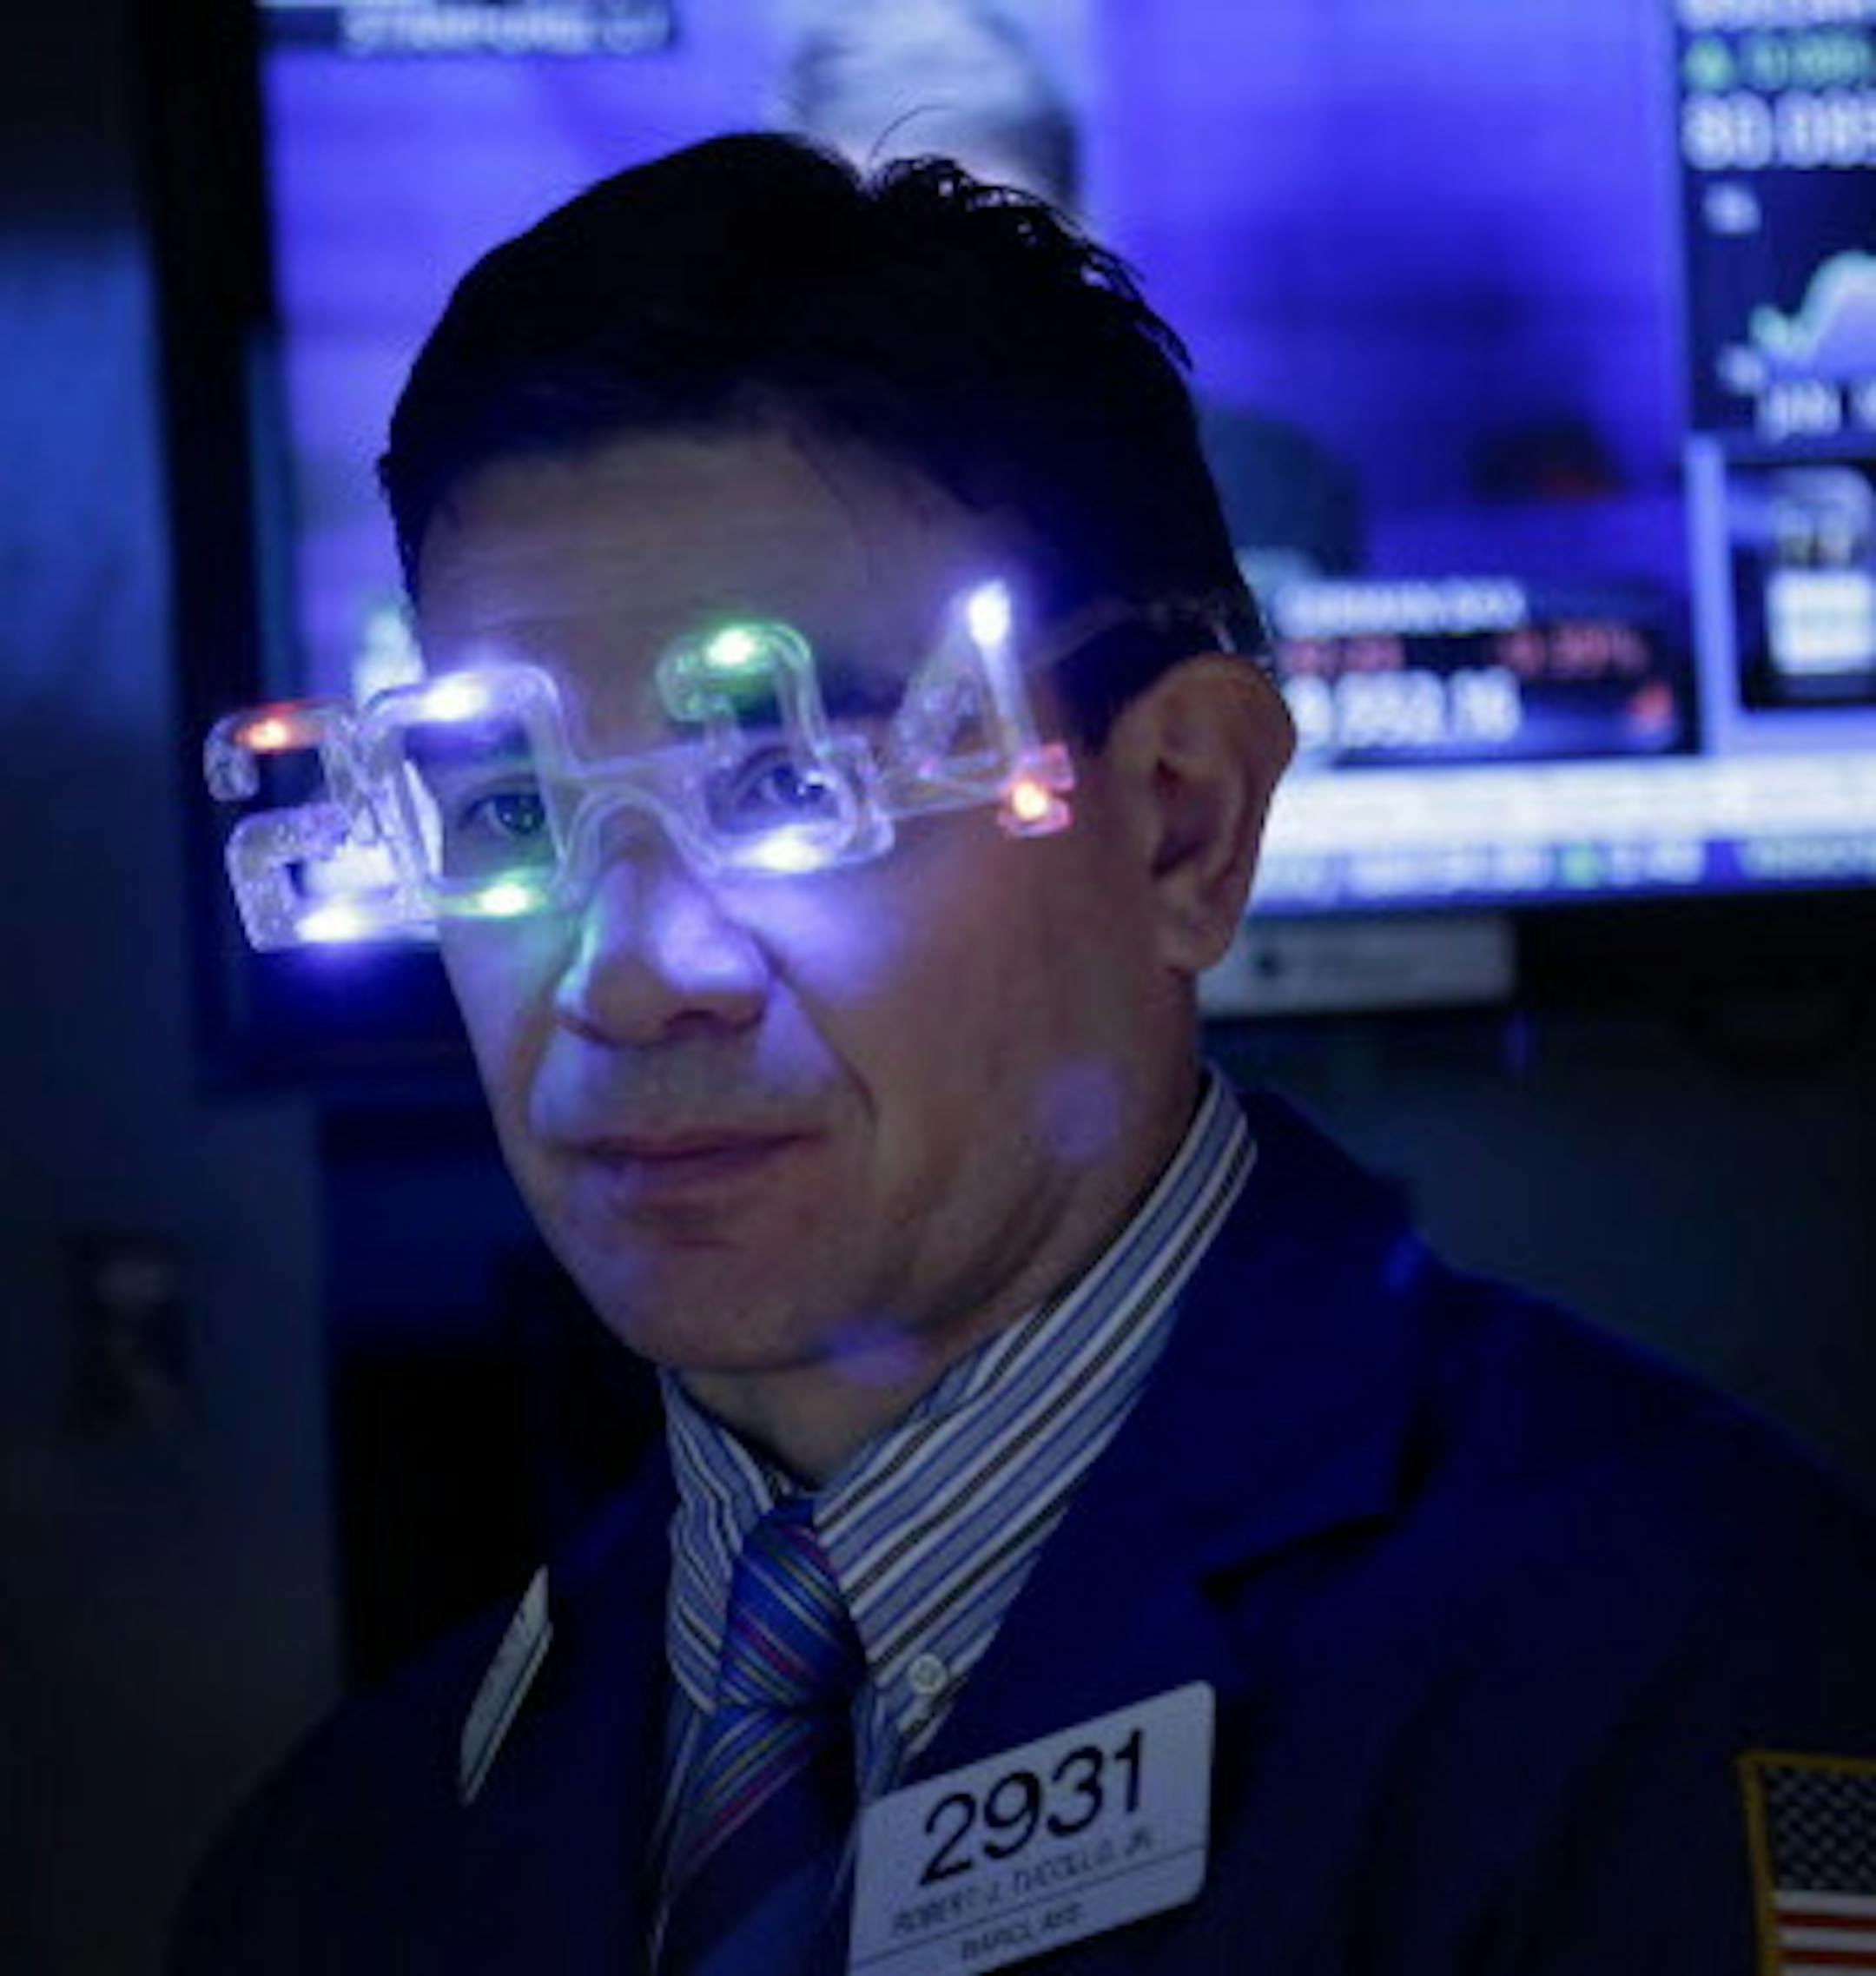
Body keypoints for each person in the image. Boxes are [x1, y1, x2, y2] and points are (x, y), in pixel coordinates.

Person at [175, 134, 1876, 1974]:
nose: (634, 974)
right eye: (506, 805)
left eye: (785, 780)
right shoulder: (347, 1855)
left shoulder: (1694, 1679)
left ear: (1181, 822)